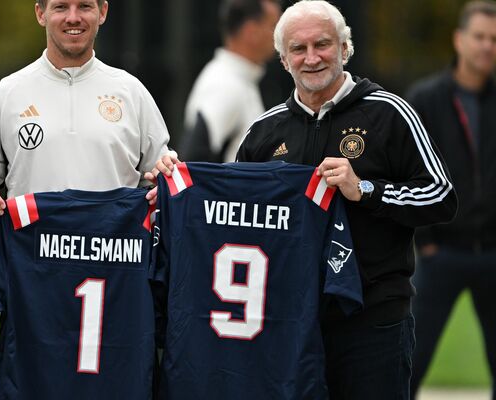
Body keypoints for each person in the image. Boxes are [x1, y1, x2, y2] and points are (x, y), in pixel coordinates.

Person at [152, 0, 457, 398]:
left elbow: (442, 197)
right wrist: (174, 188)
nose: (311, 58)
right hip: (285, 323)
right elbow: (230, 217)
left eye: (323, 45)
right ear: (282, 59)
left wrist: (365, 189)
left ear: (345, 48)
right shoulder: (265, 131)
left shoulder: (390, 113)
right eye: (298, 48)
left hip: (372, 323)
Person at [0, 0, 172, 226]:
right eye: (61, 7)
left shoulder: (132, 92)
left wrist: (166, 183)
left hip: (112, 258)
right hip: (30, 259)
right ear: (41, 13)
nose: (73, 17)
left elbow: (161, 185)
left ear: (102, 12)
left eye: (84, 6)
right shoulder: (7, 94)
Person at [405, 1, 496, 398]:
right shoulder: (425, 99)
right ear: (459, 40)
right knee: (412, 356)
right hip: (440, 251)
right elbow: (407, 170)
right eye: (479, 37)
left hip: (494, 252)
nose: (487, 46)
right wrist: (424, 239)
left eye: (495, 39)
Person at [178, 0, 281, 163]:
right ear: (251, 31)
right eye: (274, 25)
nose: (280, 34)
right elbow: (193, 159)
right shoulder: (225, 83)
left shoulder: (236, 79)